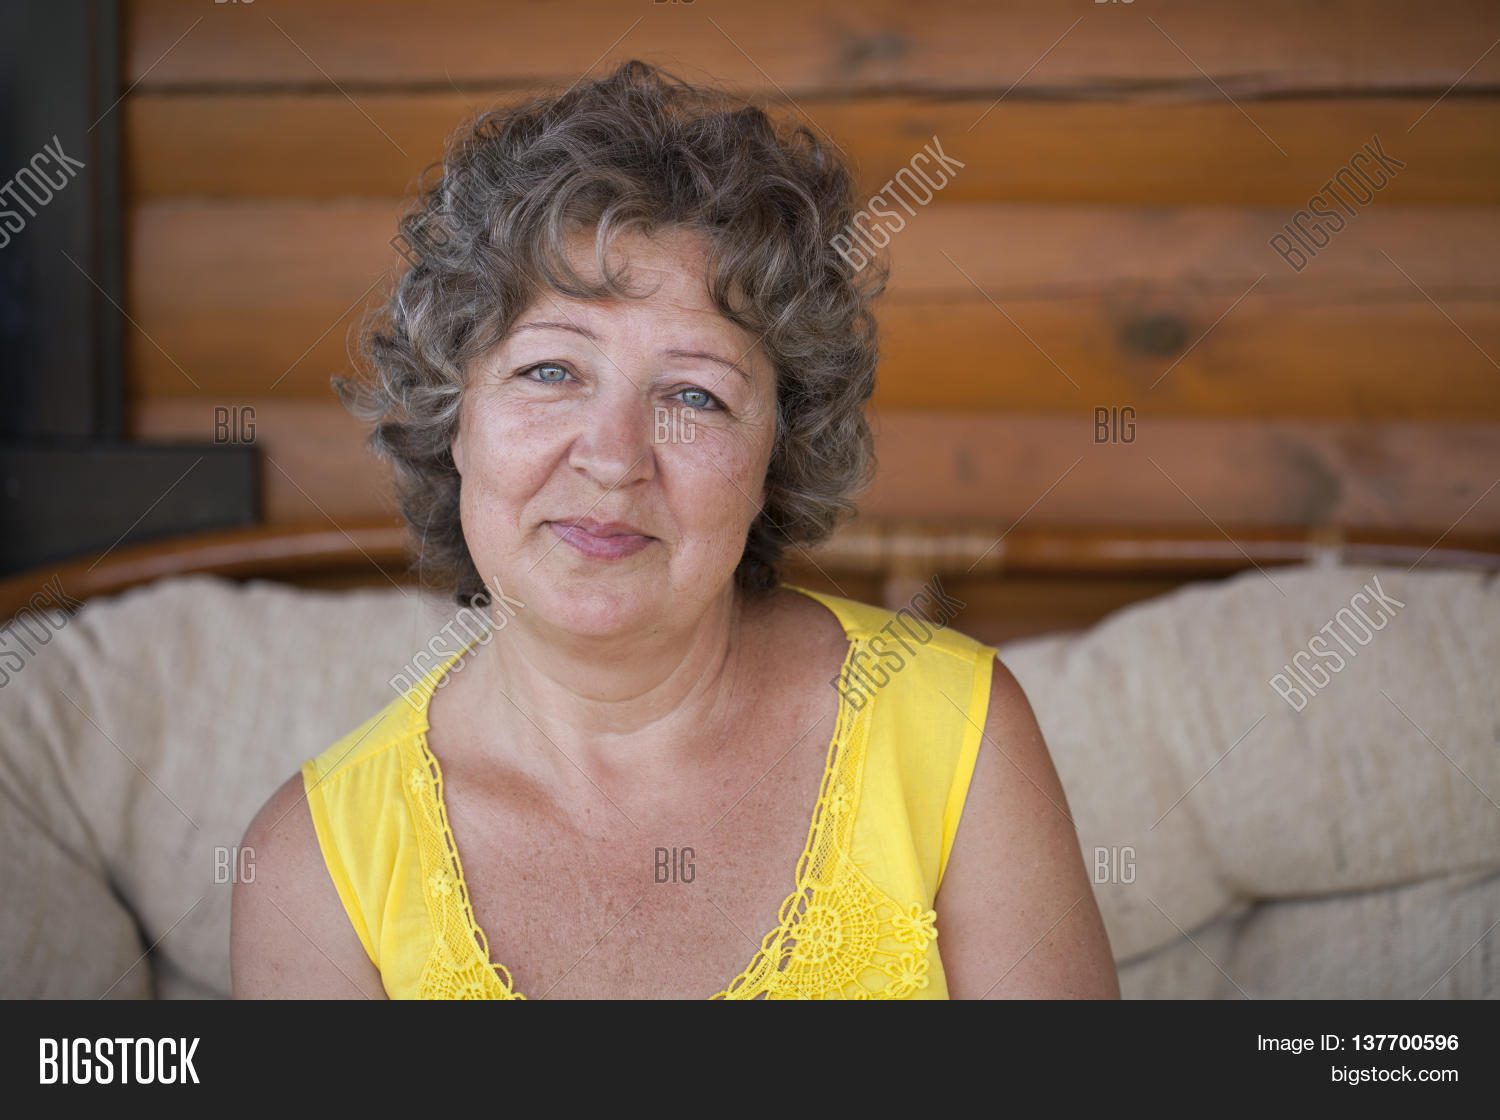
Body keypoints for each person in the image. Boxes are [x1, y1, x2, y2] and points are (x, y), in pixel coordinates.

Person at [231, 59, 1119, 1000]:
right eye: (549, 372)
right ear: (456, 420)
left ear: (775, 456)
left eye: (695, 395)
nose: (615, 459)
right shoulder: (311, 866)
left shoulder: (957, 732)